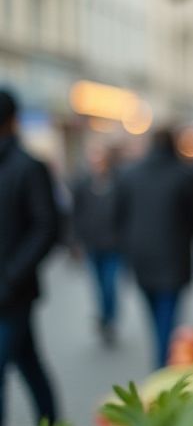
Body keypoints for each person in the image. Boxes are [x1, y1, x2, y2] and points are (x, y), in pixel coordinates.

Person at [115, 127, 193, 368]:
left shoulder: (129, 174)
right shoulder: (185, 175)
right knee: (168, 317)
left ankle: (161, 360)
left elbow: (117, 216)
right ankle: (163, 364)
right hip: (174, 257)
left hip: (142, 258)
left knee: (154, 314)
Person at [0, 87, 59, 426]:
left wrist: (10, 277)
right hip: (11, 288)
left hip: (12, 293)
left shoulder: (28, 167)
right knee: (29, 364)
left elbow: (46, 227)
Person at [70, 143, 124, 346]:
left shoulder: (118, 182)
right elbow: (75, 215)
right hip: (92, 243)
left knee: (110, 284)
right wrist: (74, 242)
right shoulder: (82, 183)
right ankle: (103, 316)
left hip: (113, 244)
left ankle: (109, 318)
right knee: (98, 285)